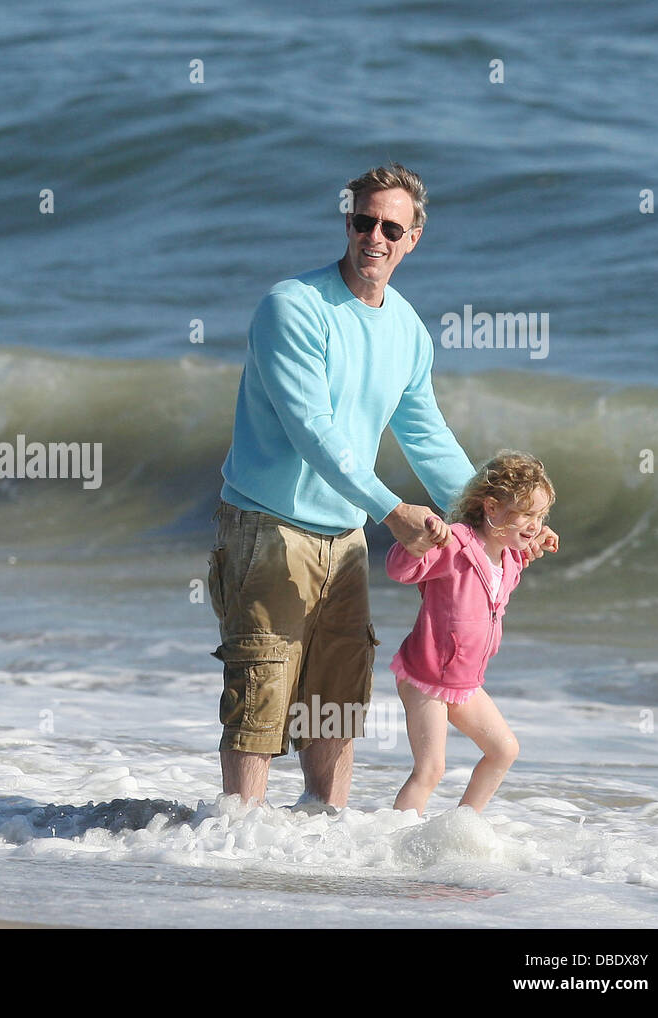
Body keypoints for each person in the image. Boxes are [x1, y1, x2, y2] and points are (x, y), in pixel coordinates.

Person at [209, 163, 557, 809]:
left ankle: (323, 826)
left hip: (341, 536)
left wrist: (501, 523)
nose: (376, 236)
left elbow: (427, 436)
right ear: (348, 222)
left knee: (334, 700)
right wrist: (389, 508)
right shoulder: (293, 306)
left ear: (413, 237)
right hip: (267, 526)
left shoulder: (405, 329)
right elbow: (311, 426)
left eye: (391, 227)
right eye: (364, 221)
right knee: (263, 689)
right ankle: (237, 844)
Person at [386, 451, 556, 814]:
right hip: (424, 677)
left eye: (540, 516)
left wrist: (531, 545)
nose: (534, 523)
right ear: (491, 508)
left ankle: (462, 826)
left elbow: (493, 585)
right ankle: (391, 842)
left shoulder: (509, 557)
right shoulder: (455, 545)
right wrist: (421, 542)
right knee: (431, 770)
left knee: (504, 750)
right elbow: (402, 571)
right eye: (526, 514)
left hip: (464, 681)